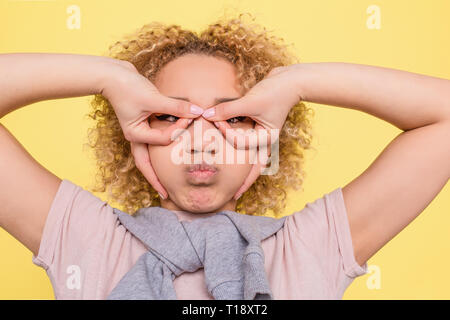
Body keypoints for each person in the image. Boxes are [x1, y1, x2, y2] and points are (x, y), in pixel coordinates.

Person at [0, 13, 449, 300]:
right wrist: (107, 76)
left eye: (233, 119)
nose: (201, 139)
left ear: (266, 139)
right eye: (169, 115)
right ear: (134, 139)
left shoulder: (311, 246)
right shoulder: (86, 236)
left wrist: (295, 83)